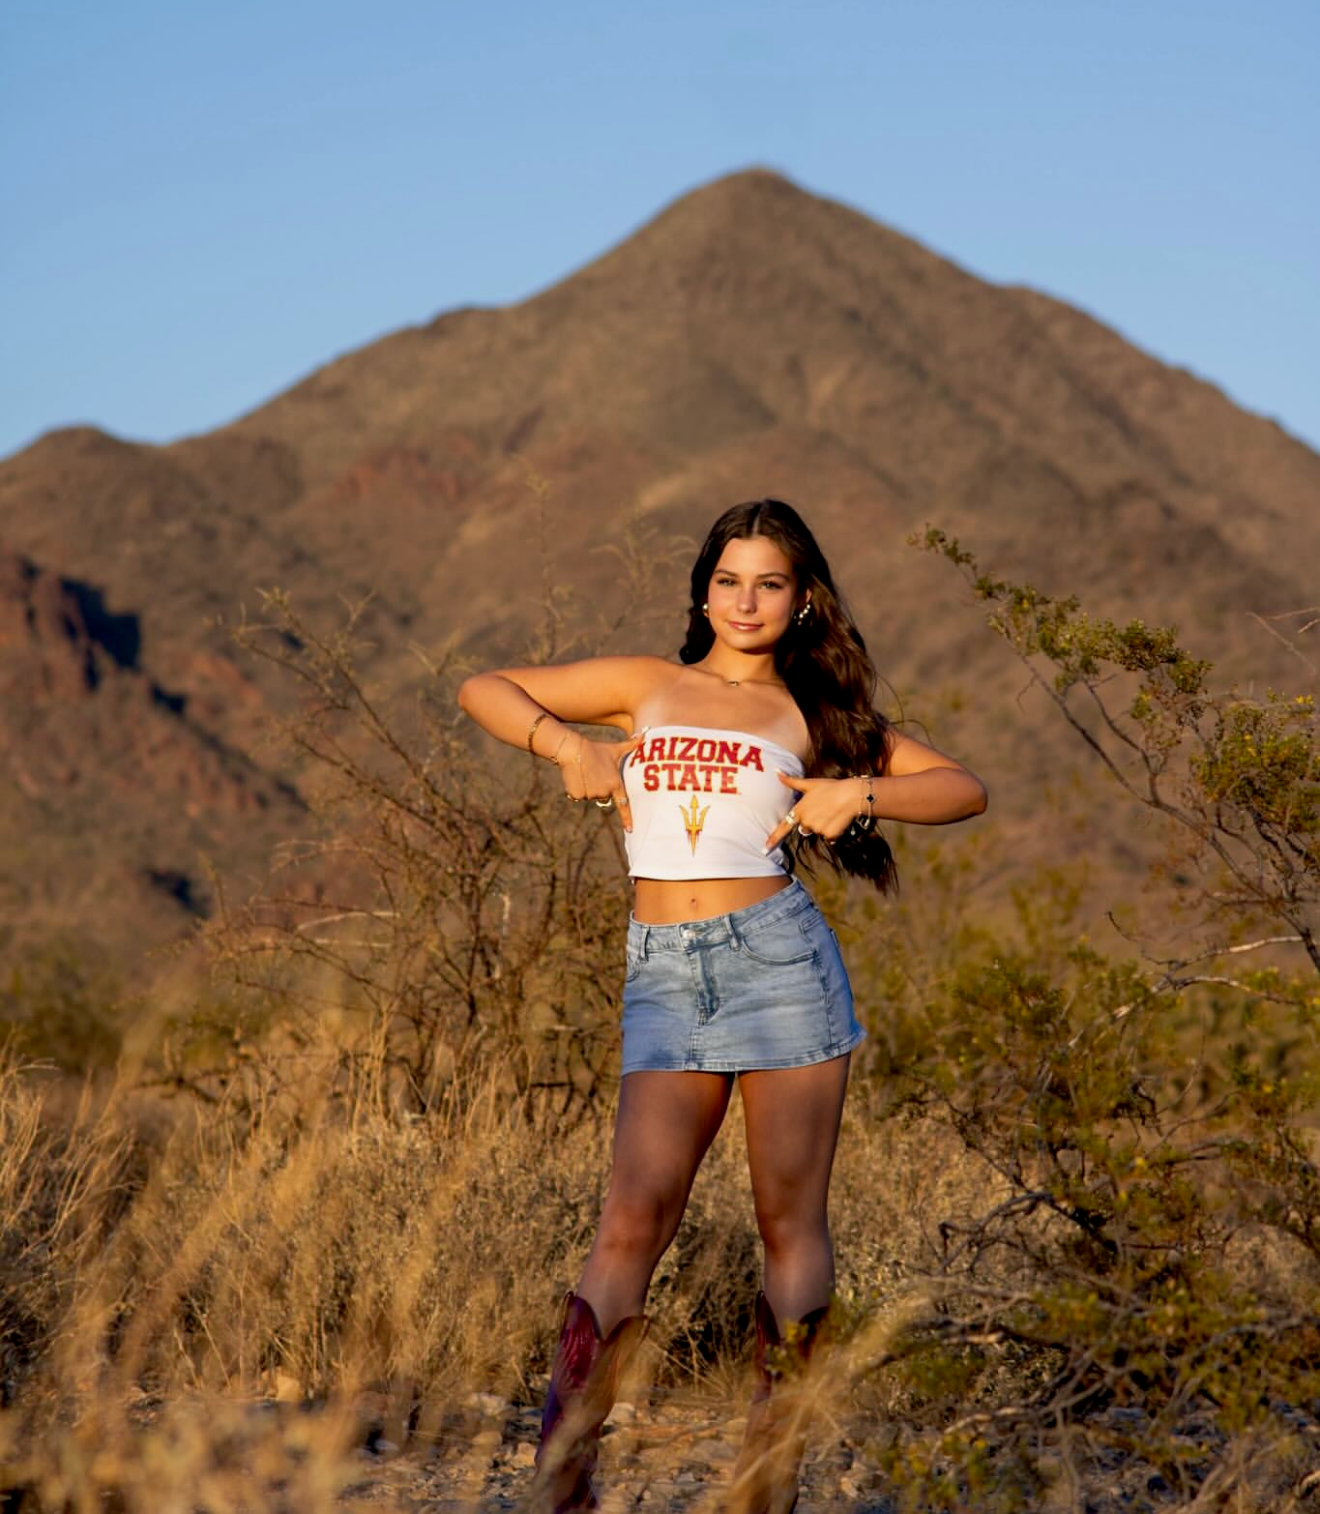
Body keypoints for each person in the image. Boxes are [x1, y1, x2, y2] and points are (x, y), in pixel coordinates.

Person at [457, 499, 987, 1513]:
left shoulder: (816, 716)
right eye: (730, 579)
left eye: (770, 583)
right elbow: (484, 684)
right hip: (665, 969)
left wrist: (859, 794)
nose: (747, 600)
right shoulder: (649, 686)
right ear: (704, 587)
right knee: (629, 1221)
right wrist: (565, 747)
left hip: (780, 963)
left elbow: (964, 787)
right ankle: (561, 1483)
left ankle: (763, 1487)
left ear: (802, 601)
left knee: (789, 1225)